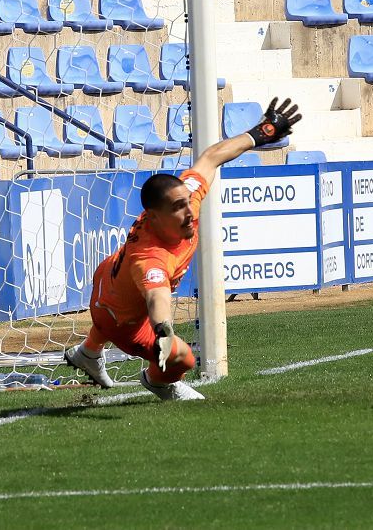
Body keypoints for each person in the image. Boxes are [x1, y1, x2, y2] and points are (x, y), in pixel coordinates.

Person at [64, 98, 302, 400]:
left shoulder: (185, 198)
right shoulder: (151, 257)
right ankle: (158, 381)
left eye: (187, 201)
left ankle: (89, 351)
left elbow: (211, 157)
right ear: (154, 217)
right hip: (119, 322)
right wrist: (164, 333)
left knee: (124, 294)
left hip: (107, 281)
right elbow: (156, 296)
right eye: (178, 208)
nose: (190, 211)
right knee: (182, 357)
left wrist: (259, 133)